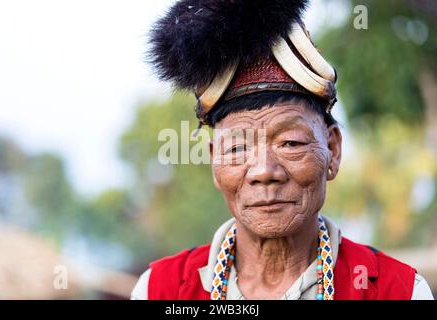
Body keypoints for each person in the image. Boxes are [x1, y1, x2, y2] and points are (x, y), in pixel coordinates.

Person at [131, 0, 434, 300]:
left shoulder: (398, 292)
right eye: (237, 147)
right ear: (214, 161)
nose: (264, 171)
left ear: (333, 149)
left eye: (291, 143)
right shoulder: (161, 290)